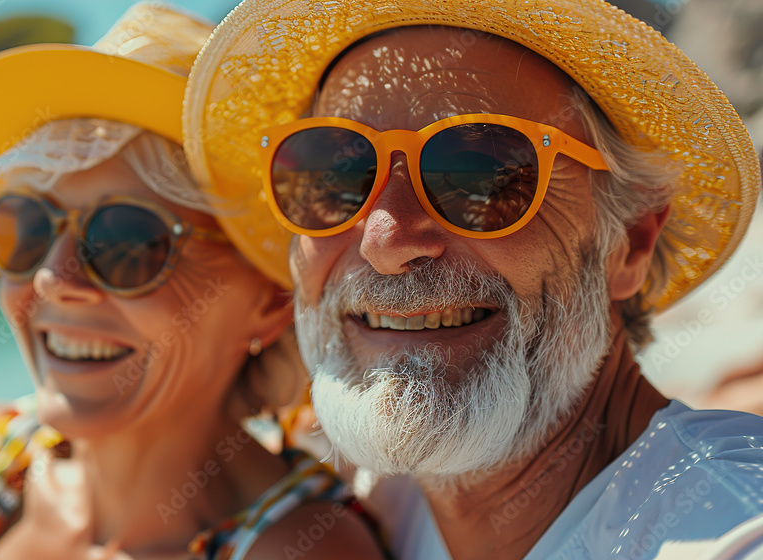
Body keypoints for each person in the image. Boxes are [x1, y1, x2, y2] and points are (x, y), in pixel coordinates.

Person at [182, 0, 763, 559]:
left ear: (632, 240)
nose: (385, 241)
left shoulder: (729, 527)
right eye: (334, 174)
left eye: (482, 171)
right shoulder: (360, 506)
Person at [0, 4, 386, 560]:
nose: (50, 278)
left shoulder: (300, 549)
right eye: (27, 228)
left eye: (125, 243)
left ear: (270, 299)